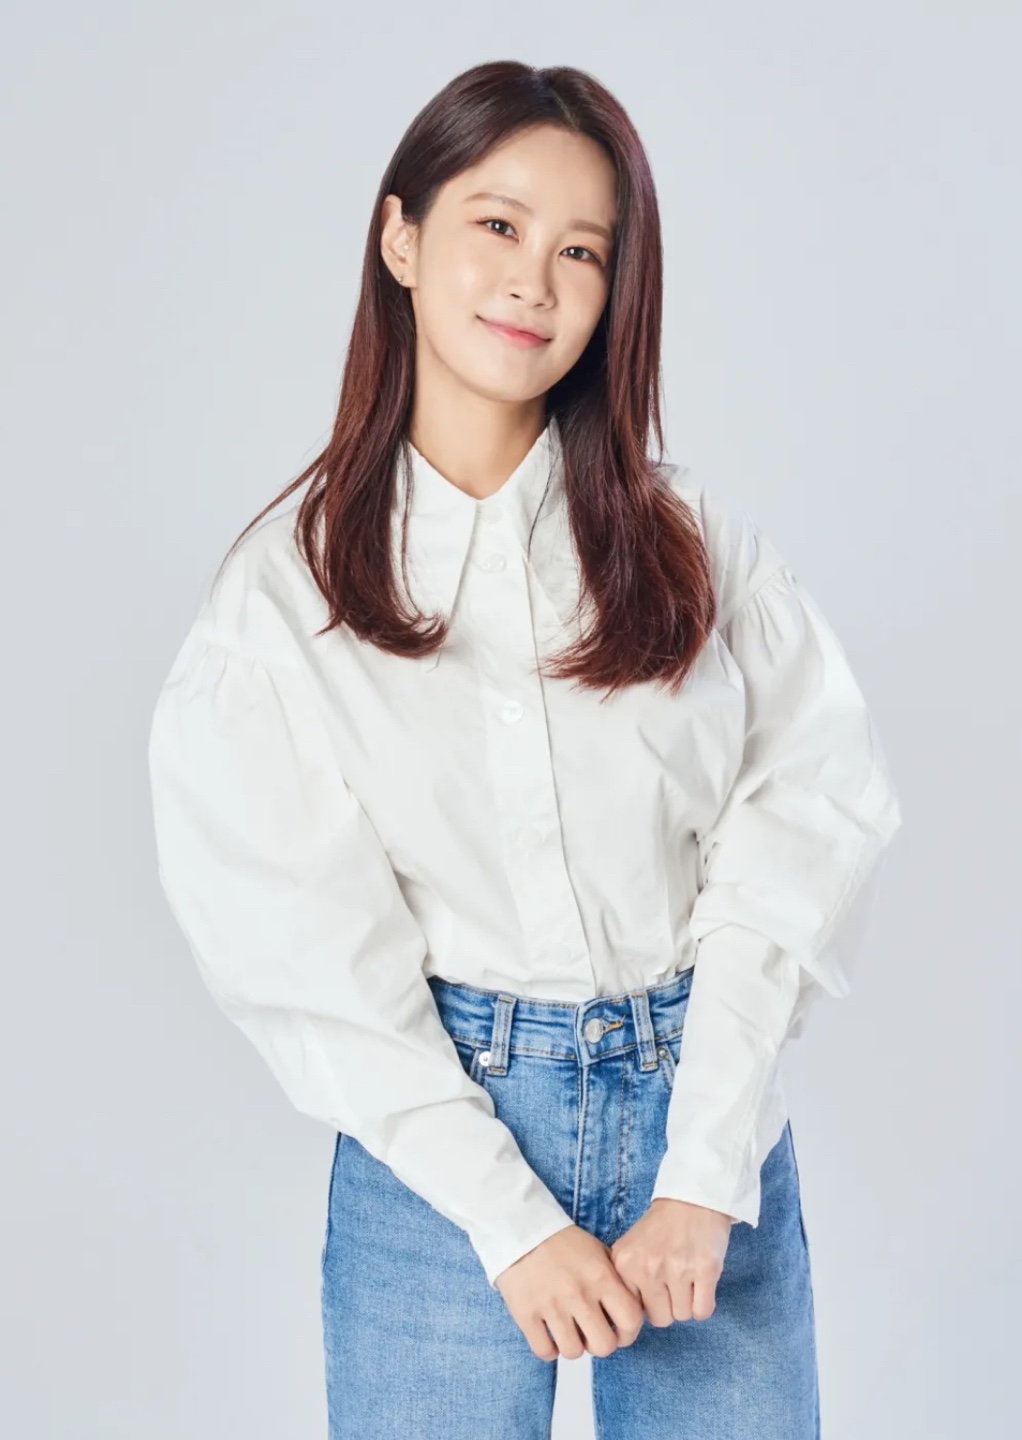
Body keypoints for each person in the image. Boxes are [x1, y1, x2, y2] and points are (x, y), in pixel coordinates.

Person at [147, 59, 902, 1440]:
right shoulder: (281, 600)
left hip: (701, 1113)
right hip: (435, 1154)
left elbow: (805, 816)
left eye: (581, 252)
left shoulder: (689, 545)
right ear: (399, 237)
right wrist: (508, 1220)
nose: (533, 283)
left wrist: (704, 1168)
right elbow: (302, 951)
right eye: (497, 224)